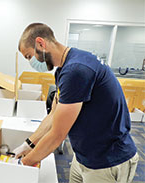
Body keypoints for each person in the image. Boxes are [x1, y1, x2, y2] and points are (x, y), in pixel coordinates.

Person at [13, 23, 139, 183]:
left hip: (107, 161)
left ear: (40, 43)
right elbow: (54, 115)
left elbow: (57, 135)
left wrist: (23, 163)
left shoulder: (76, 70)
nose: (31, 62)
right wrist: (28, 144)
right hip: (84, 156)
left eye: (29, 56)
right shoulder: (64, 69)